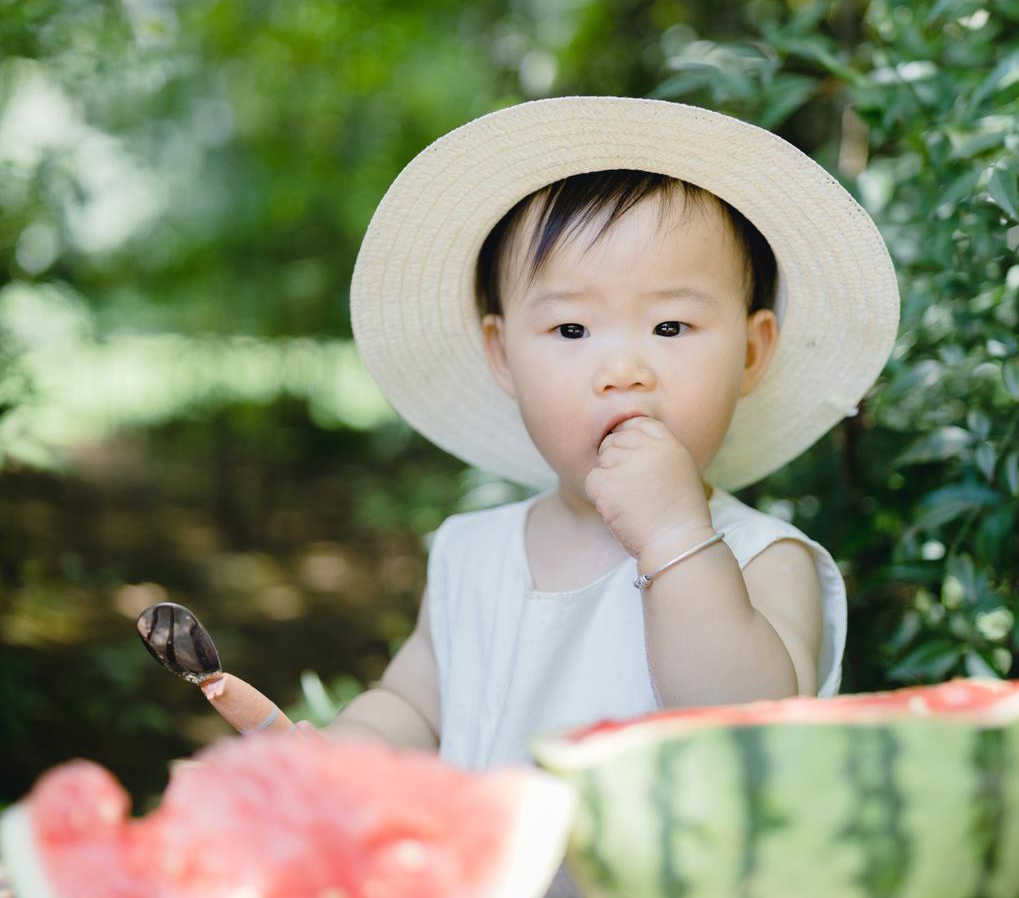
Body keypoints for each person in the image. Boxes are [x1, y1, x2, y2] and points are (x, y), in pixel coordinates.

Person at [199, 94, 899, 768]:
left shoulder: (766, 561)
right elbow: (413, 708)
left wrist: (675, 537)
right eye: (570, 329)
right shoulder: (472, 554)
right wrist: (338, 753)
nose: (623, 371)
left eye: (670, 326)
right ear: (503, 354)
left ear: (751, 351)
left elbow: (748, 733)